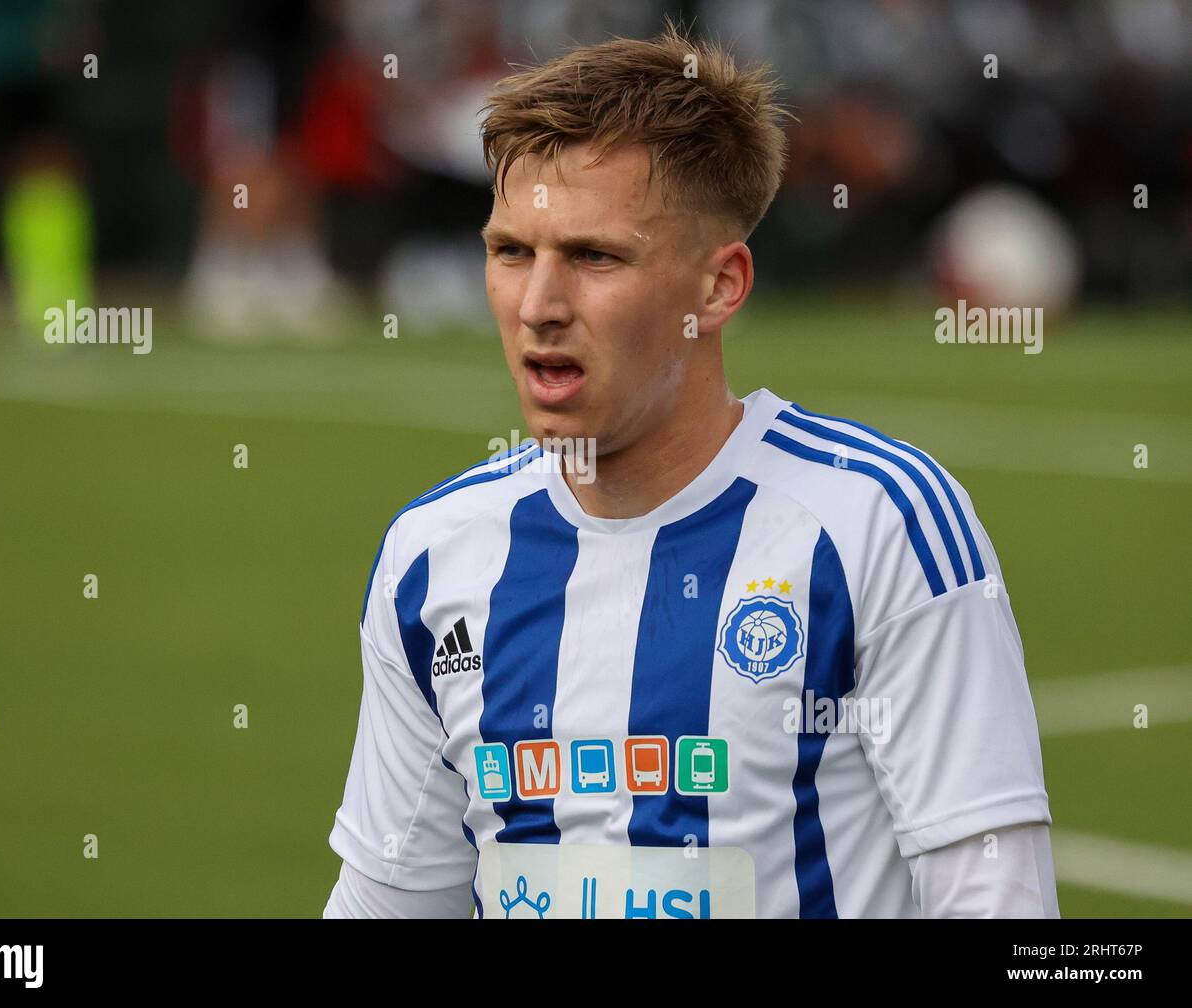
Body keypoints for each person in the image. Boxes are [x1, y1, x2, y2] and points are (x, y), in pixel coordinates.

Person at [323, 22, 1057, 919]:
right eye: (511, 251)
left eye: (594, 257)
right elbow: (388, 901)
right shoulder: (432, 557)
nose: (540, 307)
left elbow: (1000, 909)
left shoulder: (878, 526)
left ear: (720, 286)